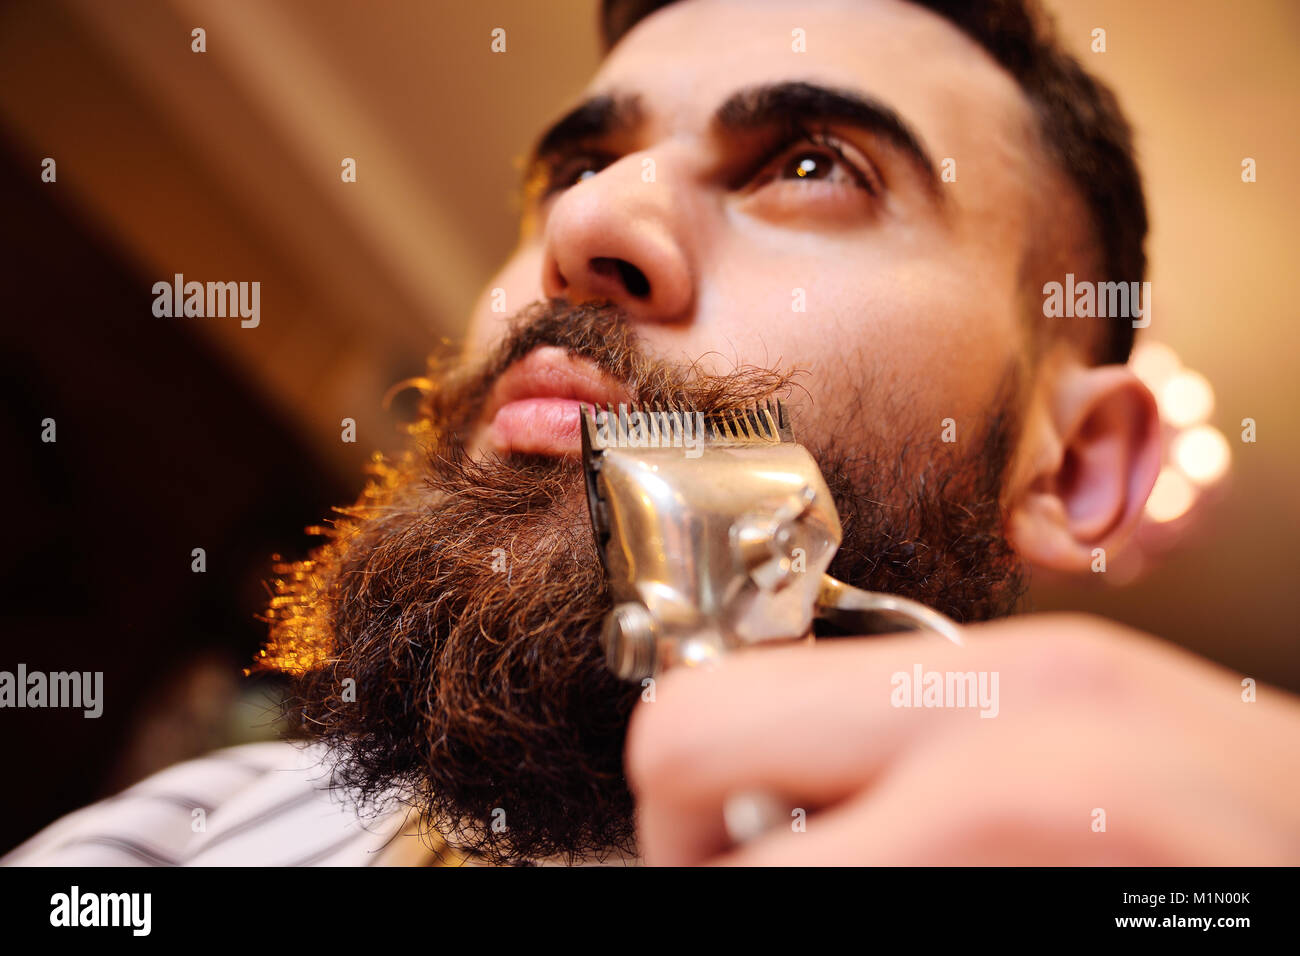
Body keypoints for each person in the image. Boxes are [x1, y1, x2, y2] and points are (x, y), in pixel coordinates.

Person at [7, 0, 1298, 867]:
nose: (589, 227)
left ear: (1078, 467)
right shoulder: (177, 841)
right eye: (576, 171)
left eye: (809, 164)